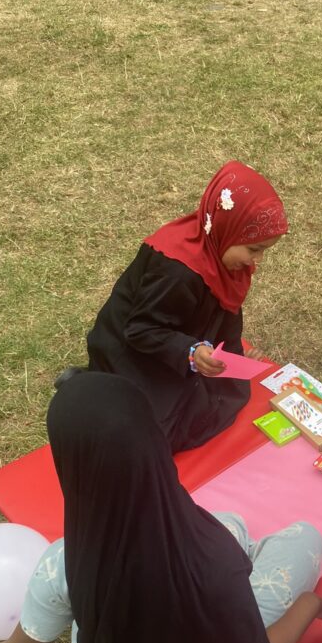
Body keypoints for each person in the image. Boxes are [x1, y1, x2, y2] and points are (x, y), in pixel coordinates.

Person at [0, 373, 322, 643]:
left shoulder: (62, 562)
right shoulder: (213, 558)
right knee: (300, 535)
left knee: (231, 524)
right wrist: (309, 605)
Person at [83, 160, 288, 452]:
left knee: (227, 394)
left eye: (264, 251)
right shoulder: (178, 270)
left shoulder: (223, 254)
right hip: (131, 349)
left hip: (174, 337)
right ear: (227, 227)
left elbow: (226, 312)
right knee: (154, 436)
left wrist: (234, 354)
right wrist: (189, 351)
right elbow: (140, 329)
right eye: (254, 249)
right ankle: (86, 387)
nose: (257, 261)